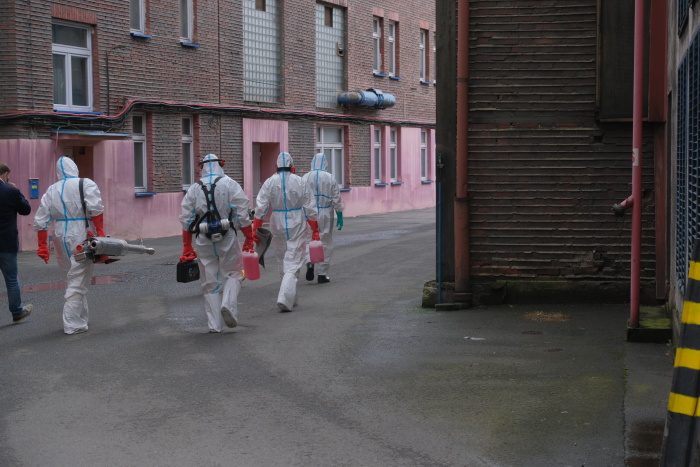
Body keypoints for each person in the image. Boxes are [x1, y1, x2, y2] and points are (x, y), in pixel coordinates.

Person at [180, 154, 256, 333]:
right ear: (220, 165)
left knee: (209, 282)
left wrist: (187, 246)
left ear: (202, 168)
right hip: (227, 235)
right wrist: (249, 238)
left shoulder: (194, 189)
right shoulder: (230, 184)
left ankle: (214, 325)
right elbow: (242, 213)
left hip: (203, 238)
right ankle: (228, 304)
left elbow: (186, 219)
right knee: (233, 273)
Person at [33, 156, 106, 335]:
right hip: (81, 233)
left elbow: (41, 219)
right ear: (75, 168)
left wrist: (42, 245)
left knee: (70, 277)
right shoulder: (86, 183)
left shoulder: (52, 189)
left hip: (60, 234)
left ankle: (81, 318)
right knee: (79, 277)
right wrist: (101, 232)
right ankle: (73, 323)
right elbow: (96, 208)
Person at [253, 152, 320, 312]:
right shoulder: (300, 181)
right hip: (296, 219)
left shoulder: (269, 182)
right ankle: (285, 297)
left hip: (277, 220)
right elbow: (310, 207)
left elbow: (261, 207)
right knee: (294, 257)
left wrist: (255, 229)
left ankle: (292, 297)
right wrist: (315, 230)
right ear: (291, 166)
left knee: (282, 257)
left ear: (276, 166)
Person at [301, 153, 344, 284]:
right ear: (325, 163)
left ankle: (309, 262)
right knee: (325, 242)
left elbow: (300, 196)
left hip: (309, 213)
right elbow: (336, 197)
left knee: (309, 240)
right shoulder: (329, 177)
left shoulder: (305, 177)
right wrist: (340, 214)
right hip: (325, 213)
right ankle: (322, 274)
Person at [0, 162, 33, 324]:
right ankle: (17, 311)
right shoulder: (11, 191)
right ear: (5, 174)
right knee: (11, 279)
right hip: (7, 242)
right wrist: (18, 192)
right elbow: (26, 210)